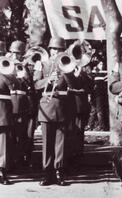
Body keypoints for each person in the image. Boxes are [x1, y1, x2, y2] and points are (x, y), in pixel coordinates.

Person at [34, 36, 73, 186]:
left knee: (60, 143)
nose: (56, 52)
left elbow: (74, 84)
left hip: (62, 106)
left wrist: (67, 72)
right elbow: (36, 84)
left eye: (59, 49)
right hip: (46, 105)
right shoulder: (42, 64)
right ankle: (47, 173)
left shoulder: (67, 65)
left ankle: (59, 172)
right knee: (47, 142)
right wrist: (48, 80)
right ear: (50, 50)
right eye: (54, 49)